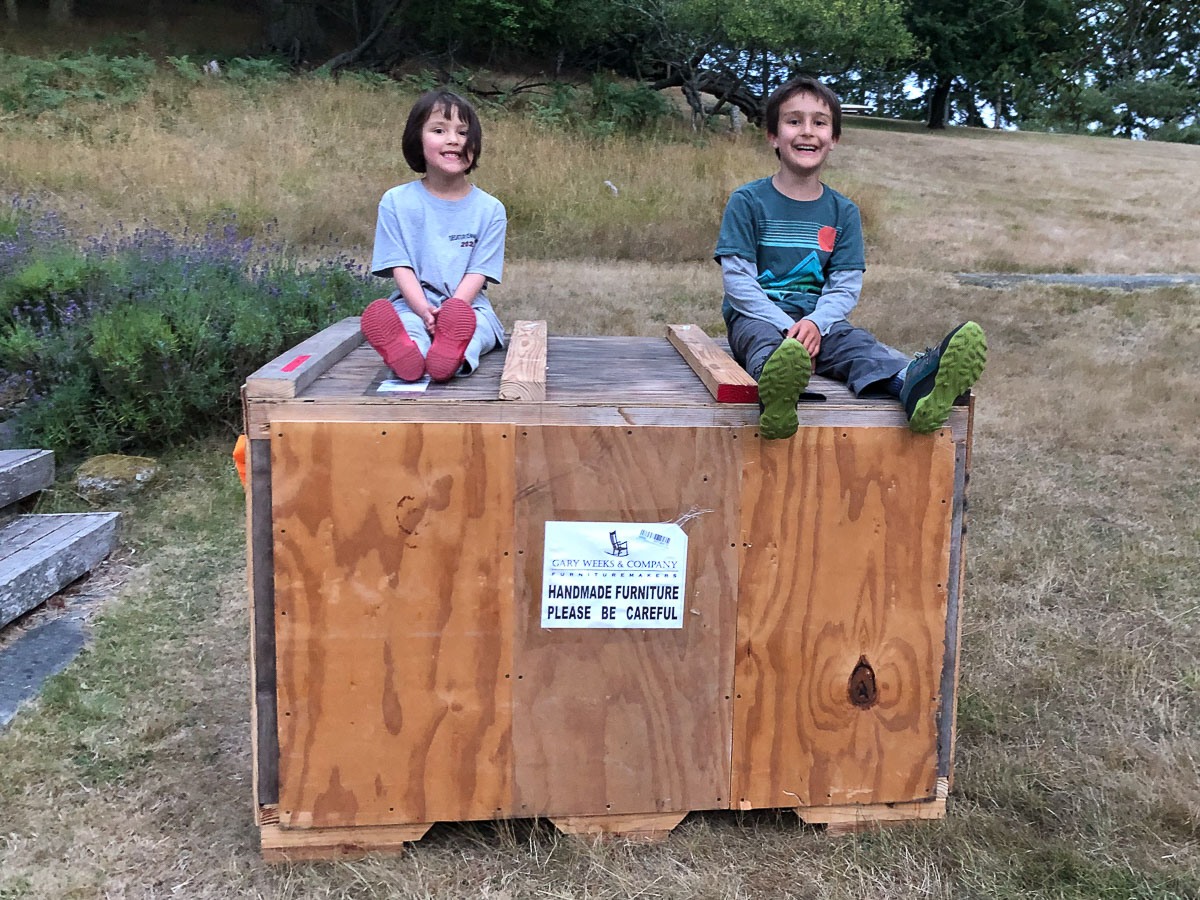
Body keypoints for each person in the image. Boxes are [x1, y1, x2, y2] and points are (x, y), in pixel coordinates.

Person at [715, 76, 987, 439]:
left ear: (835, 139)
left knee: (862, 348)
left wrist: (815, 323)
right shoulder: (748, 202)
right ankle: (777, 393)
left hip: (820, 321)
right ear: (772, 135)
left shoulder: (843, 211)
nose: (807, 132)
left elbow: (844, 287)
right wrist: (787, 328)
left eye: (820, 122)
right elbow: (738, 281)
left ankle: (916, 387)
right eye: (794, 121)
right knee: (765, 345)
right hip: (759, 316)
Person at [361, 89, 506, 383]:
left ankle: (452, 356)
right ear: (417, 139)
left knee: (478, 331)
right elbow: (399, 264)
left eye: (463, 132)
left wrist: (452, 311)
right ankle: (408, 355)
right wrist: (426, 312)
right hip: (413, 302)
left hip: (468, 307)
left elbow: (479, 271)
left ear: (475, 144)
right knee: (408, 326)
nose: (453, 139)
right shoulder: (396, 201)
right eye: (439, 130)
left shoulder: (490, 209)